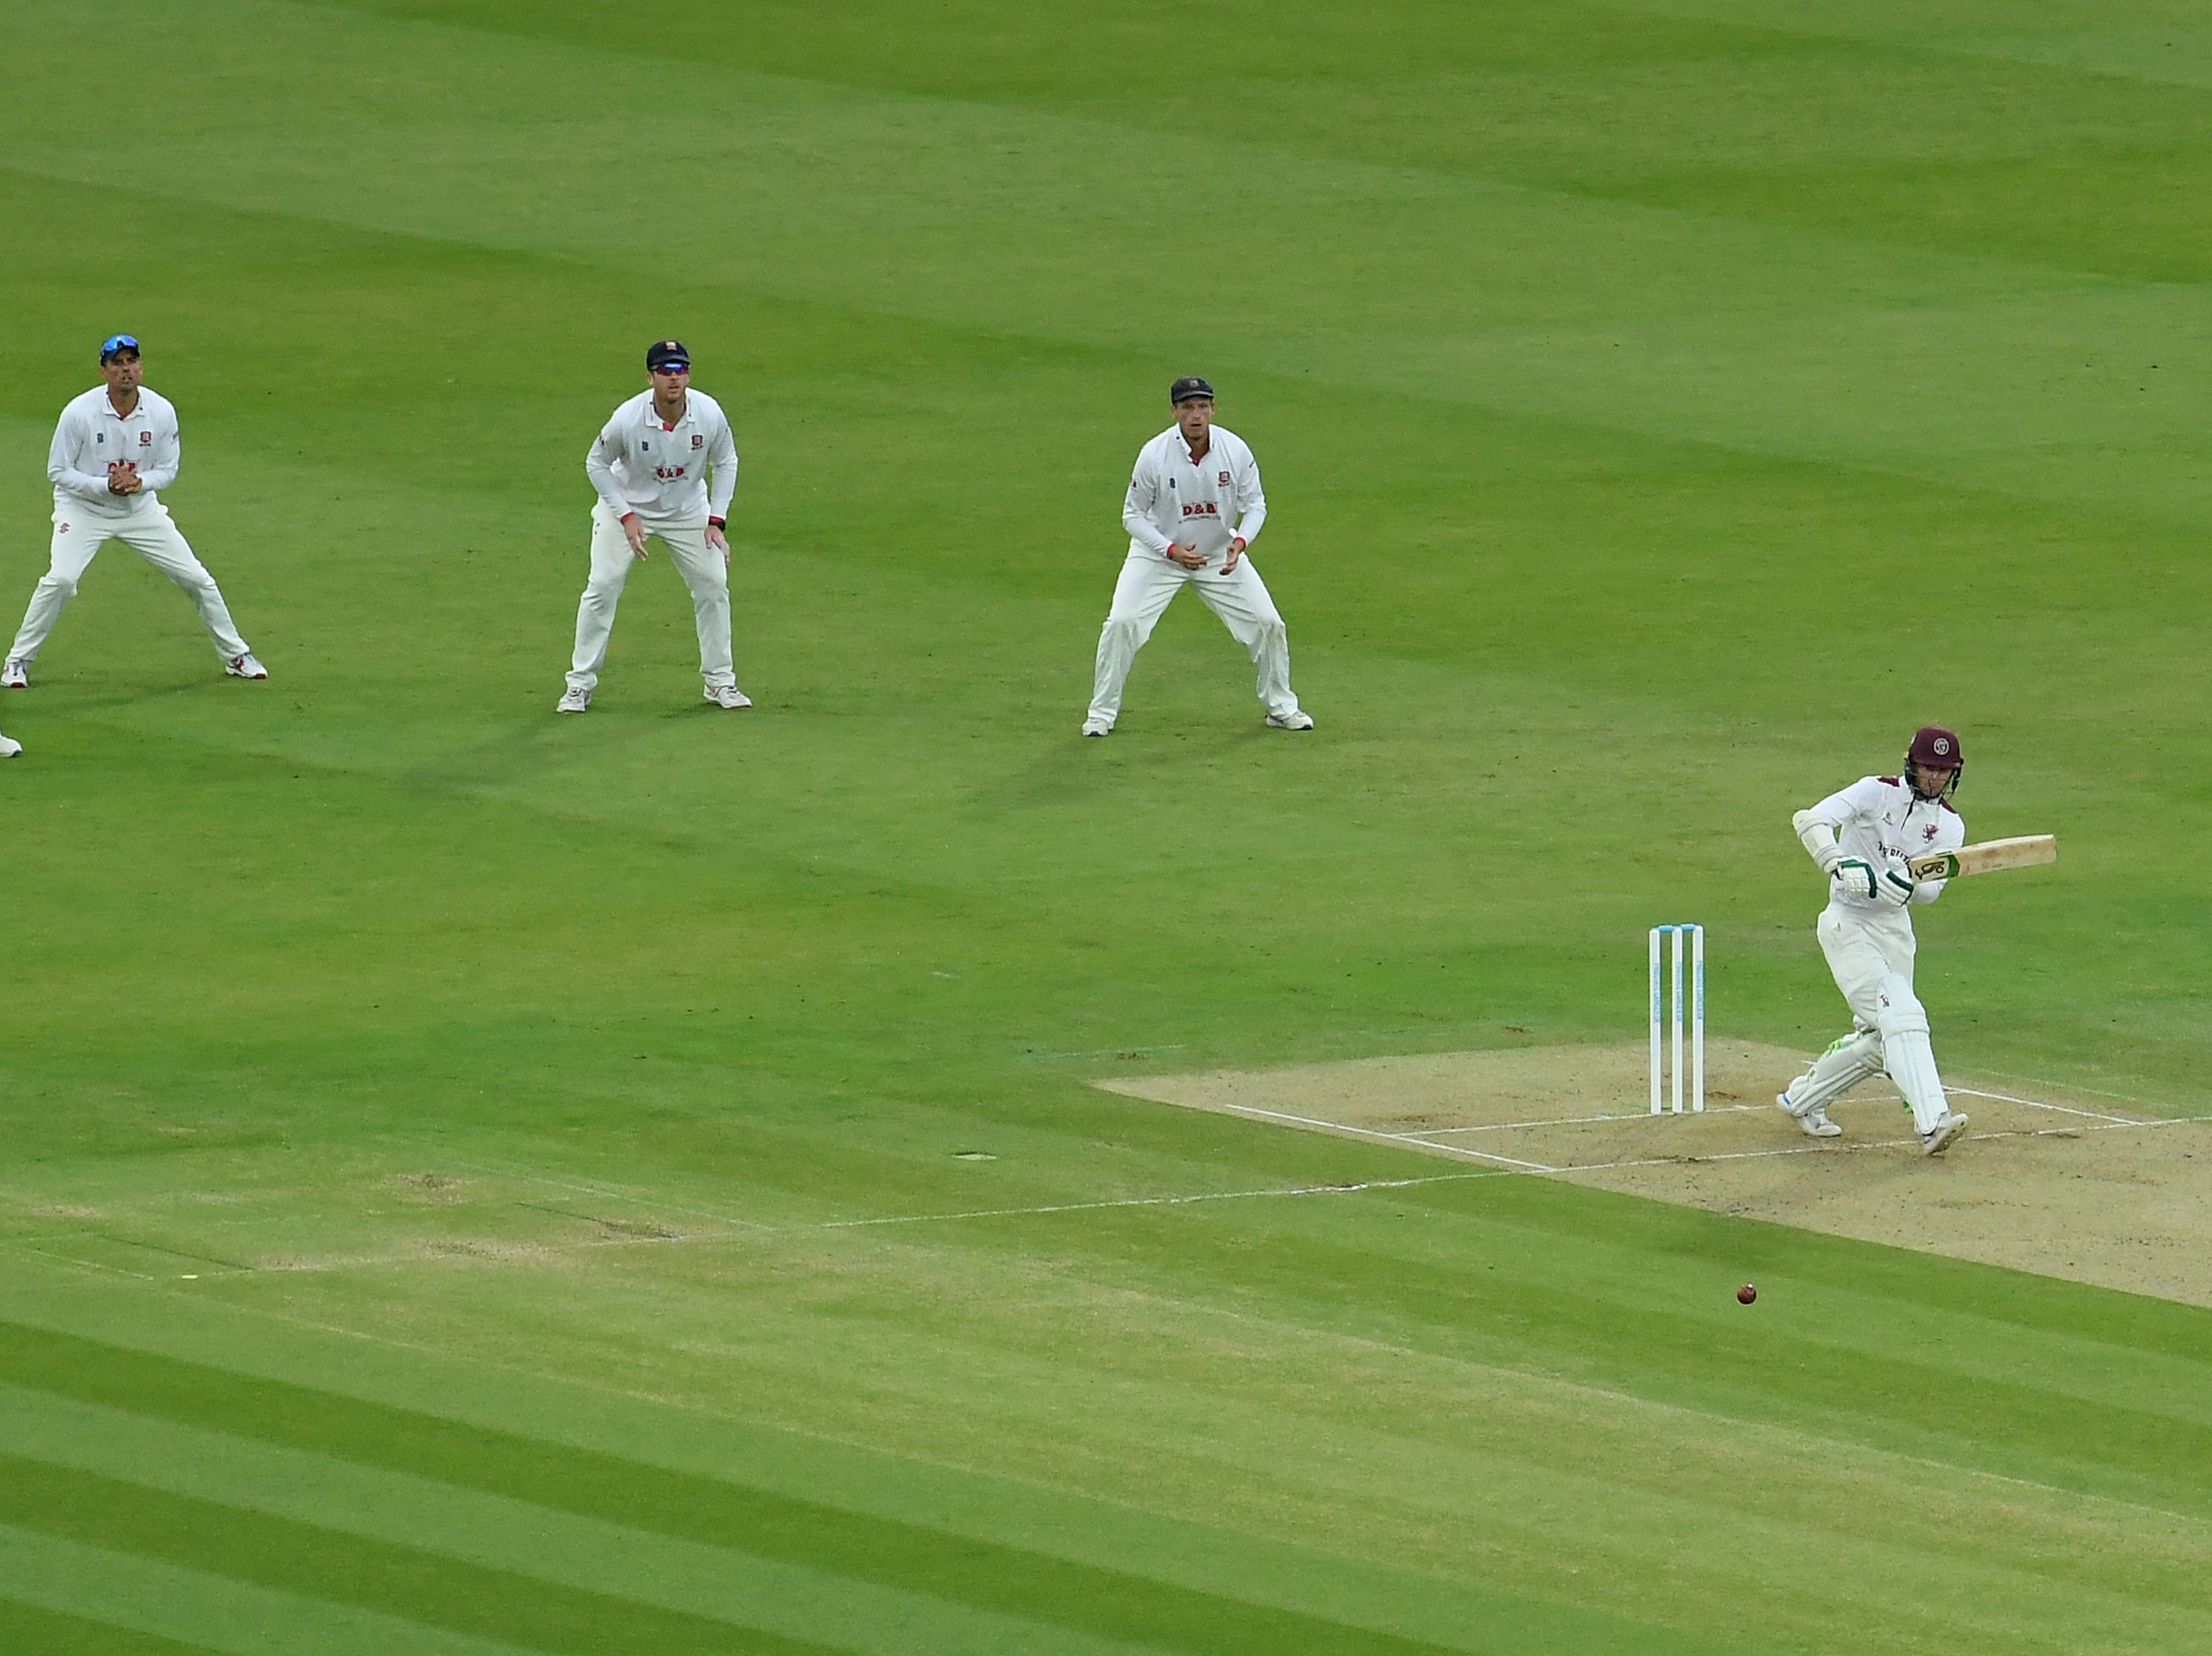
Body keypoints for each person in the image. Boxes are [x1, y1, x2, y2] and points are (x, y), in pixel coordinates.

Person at [3, 335, 266, 691]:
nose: (125, 370)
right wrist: (105, 486)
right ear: (103, 371)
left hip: (139, 510)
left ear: (140, 368)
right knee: (61, 580)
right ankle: (17, 662)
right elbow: (58, 472)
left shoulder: (160, 411)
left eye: (131, 362)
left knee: (197, 579)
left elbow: (168, 471)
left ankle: (237, 655)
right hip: (84, 510)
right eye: (117, 363)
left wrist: (138, 482)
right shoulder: (78, 413)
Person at [1778, 726, 1973, 1155]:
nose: (1935, 778)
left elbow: (1932, 889)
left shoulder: (1950, 825)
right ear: (1910, 763)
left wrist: (1905, 887)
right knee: (1903, 1015)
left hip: (1895, 932)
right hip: (1846, 923)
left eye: (1944, 771)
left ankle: (1803, 1099)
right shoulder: (1874, 793)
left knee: (1881, 1038)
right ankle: (1932, 1121)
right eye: (1928, 768)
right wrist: (1838, 862)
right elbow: (1808, 818)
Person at [1082, 377, 1309, 736]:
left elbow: (1256, 506)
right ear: (1174, 412)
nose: (1196, 415)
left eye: (1203, 406)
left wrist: (1241, 542)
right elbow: (1132, 516)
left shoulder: (1235, 450)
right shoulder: (1154, 455)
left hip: (1220, 554)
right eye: (1187, 407)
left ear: (1213, 409)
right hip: (1159, 555)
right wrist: (1169, 550)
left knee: (1269, 624)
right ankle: (1101, 713)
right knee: (1122, 622)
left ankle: (1281, 707)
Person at [559, 339, 747, 713]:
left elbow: (726, 461)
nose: (674, 379)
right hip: (627, 506)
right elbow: (596, 463)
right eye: (665, 372)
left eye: (680, 371)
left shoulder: (708, 414)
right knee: (603, 585)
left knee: (713, 585)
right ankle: (579, 684)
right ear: (650, 378)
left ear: (688, 375)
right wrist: (626, 516)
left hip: (687, 509)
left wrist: (716, 520)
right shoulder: (627, 419)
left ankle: (720, 681)